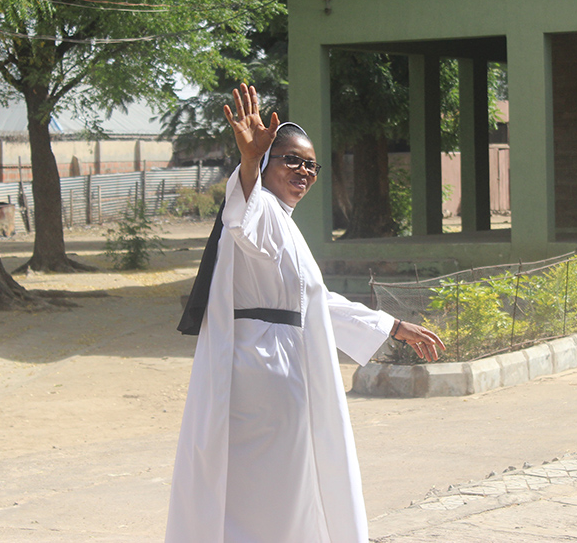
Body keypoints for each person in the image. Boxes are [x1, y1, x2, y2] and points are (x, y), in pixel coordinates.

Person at [165, 84, 445, 543]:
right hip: (264, 372)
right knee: (270, 492)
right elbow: (241, 216)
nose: (304, 171)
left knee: (285, 488)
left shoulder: (283, 223)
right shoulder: (261, 213)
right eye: (291, 159)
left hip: (284, 368)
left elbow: (313, 302)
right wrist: (250, 162)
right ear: (267, 166)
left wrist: (389, 323)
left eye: (311, 164)